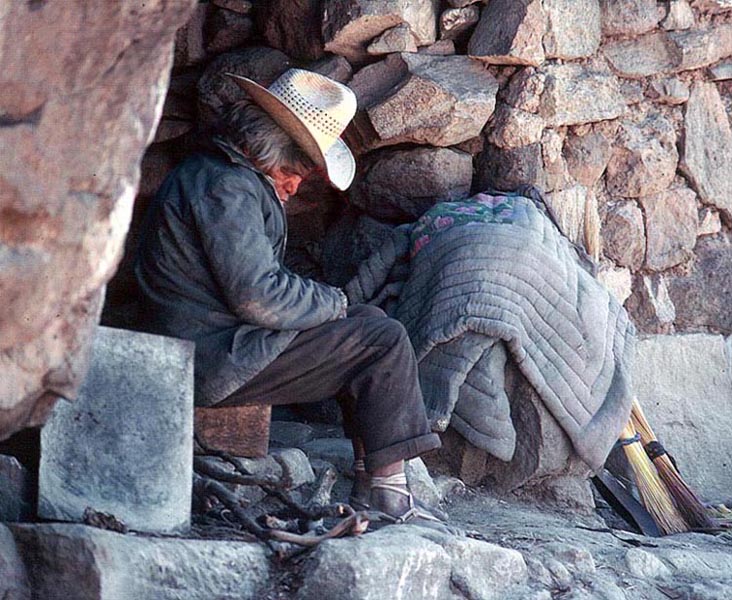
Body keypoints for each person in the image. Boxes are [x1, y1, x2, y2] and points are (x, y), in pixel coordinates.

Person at [135, 68, 442, 522]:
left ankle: (371, 477)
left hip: (214, 344)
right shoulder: (227, 187)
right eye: (293, 170)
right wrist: (332, 303)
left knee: (367, 325)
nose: (295, 186)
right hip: (210, 358)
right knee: (383, 341)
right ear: (267, 148)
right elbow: (259, 297)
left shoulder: (223, 176)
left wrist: (334, 307)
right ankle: (387, 494)